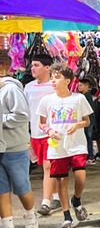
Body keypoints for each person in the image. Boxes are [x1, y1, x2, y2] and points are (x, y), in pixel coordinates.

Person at [37, 64, 93, 228]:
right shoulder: (47, 100)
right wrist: (49, 130)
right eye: (52, 77)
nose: (53, 80)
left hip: (77, 144)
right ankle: (67, 215)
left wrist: (77, 125)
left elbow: (87, 121)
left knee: (80, 175)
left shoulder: (78, 98)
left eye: (57, 77)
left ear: (68, 81)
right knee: (61, 180)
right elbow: (41, 123)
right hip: (57, 146)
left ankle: (76, 199)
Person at [0, 50, 38, 228]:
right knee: (1, 189)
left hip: (14, 148)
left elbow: (23, 115)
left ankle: (30, 215)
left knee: (22, 187)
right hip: (0, 148)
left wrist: (2, 119)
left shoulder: (11, 89)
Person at [24, 54, 60, 216]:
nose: (33, 68)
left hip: (52, 133)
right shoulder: (29, 87)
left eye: (36, 65)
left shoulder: (55, 86)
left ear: (47, 68)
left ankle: (46, 202)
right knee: (47, 167)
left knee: (48, 166)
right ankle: (57, 196)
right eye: (32, 65)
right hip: (35, 133)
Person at [76, 77, 100, 164]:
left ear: (87, 86)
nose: (78, 87)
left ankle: (90, 156)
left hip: (88, 121)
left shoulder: (86, 96)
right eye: (78, 85)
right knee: (87, 138)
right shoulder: (84, 96)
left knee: (88, 138)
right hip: (87, 121)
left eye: (81, 85)